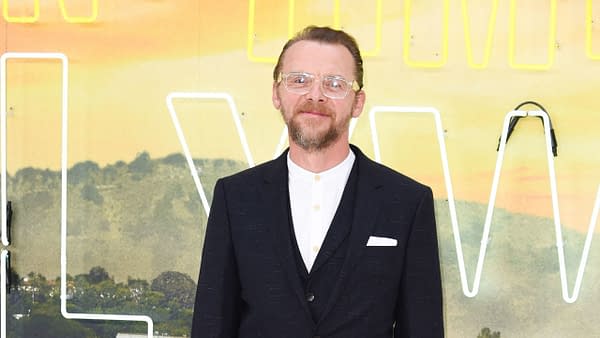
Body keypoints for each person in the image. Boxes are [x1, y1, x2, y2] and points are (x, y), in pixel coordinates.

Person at [191, 26, 444, 338]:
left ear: (358, 102)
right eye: (300, 80)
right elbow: (211, 325)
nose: (315, 95)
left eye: (335, 83)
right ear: (276, 93)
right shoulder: (235, 198)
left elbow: (423, 329)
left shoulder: (407, 202)